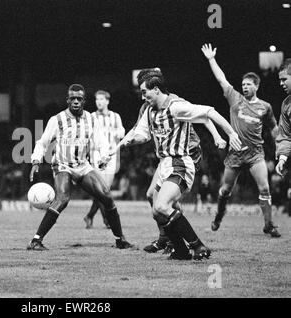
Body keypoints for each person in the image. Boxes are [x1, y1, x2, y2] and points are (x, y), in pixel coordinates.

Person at [118, 72, 242, 260]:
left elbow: (208, 112)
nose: (143, 97)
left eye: (145, 93)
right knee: (157, 211)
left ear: (156, 89)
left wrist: (230, 133)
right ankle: (180, 251)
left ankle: (198, 246)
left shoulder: (175, 106)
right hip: (165, 163)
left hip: (180, 162)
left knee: (162, 205)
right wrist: (127, 143)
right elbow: (141, 133)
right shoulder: (150, 110)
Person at [27, 84, 132, 250]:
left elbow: (101, 142)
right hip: (62, 165)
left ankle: (120, 240)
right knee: (62, 199)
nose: (76, 101)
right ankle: (36, 240)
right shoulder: (57, 120)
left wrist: (104, 157)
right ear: (67, 100)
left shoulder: (91, 119)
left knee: (106, 196)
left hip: (83, 166)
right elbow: (43, 142)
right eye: (72, 98)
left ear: (84, 101)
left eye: (79, 99)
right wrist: (36, 161)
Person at [201, 43, 280, 237]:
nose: (244, 87)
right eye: (243, 84)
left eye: (248, 85)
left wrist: (280, 147)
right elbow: (222, 79)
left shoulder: (265, 107)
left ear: (256, 86)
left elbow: (273, 128)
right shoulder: (234, 99)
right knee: (225, 190)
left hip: (255, 155)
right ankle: (219, 215)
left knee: (264, 187)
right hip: (235, 154)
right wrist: (212, 59)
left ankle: (269, 224)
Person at [84, 90, 125, 229]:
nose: (99, 102)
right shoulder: (91, 116)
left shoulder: (115, 116)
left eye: (101, 99)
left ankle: (89, 216)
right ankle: (107, 220)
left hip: (112, 156)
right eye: (97, 99)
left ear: (107, 101)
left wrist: (117, 133)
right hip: (96, 155)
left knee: (104, 189)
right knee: (102, 189)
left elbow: (122, 131)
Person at [274, 58, 291, 215]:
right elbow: (285, 135)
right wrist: (282, 159)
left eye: (284, 79)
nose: (281, 83)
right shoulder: (286, 105)